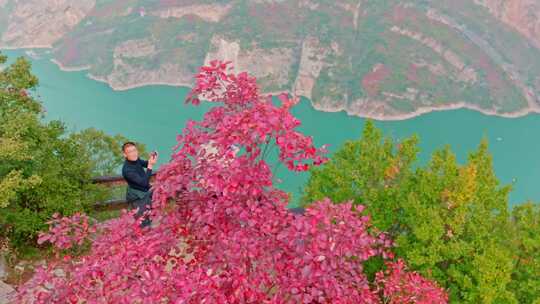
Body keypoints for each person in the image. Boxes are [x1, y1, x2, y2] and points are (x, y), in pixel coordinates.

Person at [121, 141, 158, 228]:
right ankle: (143, 237)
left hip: (143, 191)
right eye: (130, 152)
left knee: (149, 214)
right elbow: (144, 183)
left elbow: (145, 163)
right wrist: (150, 166)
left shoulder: (136, 159)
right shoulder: (127, 170)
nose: (133, 153)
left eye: (134, 150)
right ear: (125, 155)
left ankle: (150, 234)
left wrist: (151, 160)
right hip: (137, 196)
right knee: (142, 220)